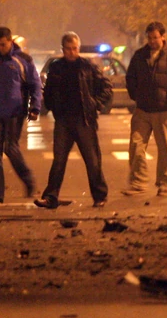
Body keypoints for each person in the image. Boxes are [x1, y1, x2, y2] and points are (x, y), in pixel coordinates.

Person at [34, 32, 113, 209]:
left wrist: (95, 104)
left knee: (92, 161)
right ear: (63, 49)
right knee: (59, 161)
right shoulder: (56, 67)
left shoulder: (87, 66)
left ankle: (100, 195)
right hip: (63, 120)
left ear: (79, 48)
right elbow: (49, 90)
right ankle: (51, 197)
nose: (72, 52)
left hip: (84, 120)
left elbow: (106, 87)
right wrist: (52, 106)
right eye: (68, 49)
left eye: (75, 48)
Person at [0, 27, 42, 207]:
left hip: (15, 113)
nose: (0, 48)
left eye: (3, 44)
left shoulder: (23, 60)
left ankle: (28, 179)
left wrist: (35, 107)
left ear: (10, 41)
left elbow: (35, 84)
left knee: (10, 148)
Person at [123, 21, 167, 197]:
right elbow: (130, 77)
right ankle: (138, 182)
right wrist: (136, 95)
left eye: (155, 37)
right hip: (143, 110)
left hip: (164, 110)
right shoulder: (139, 56)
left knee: (165, 149)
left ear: (163, 36)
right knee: (136, 145)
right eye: (150, 38)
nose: (152, 41)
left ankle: (164, 183)